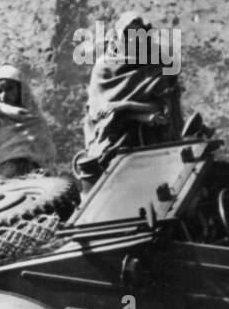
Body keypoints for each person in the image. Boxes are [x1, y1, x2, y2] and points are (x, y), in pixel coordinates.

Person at [78, 12, 183, 184]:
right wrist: (134, 113)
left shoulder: (157, 64)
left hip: (153, 143)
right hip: (115, 146)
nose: (134, 41)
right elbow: (97, 114)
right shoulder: (104, 68)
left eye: (139, 36)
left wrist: (125, 106)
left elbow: (164, 109)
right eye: (128, 36)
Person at [0, 64, 57, 181]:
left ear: (21, 90)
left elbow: (46, 157)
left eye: (9, 89)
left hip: (32, 180)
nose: (3, 96)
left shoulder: (34, 121)